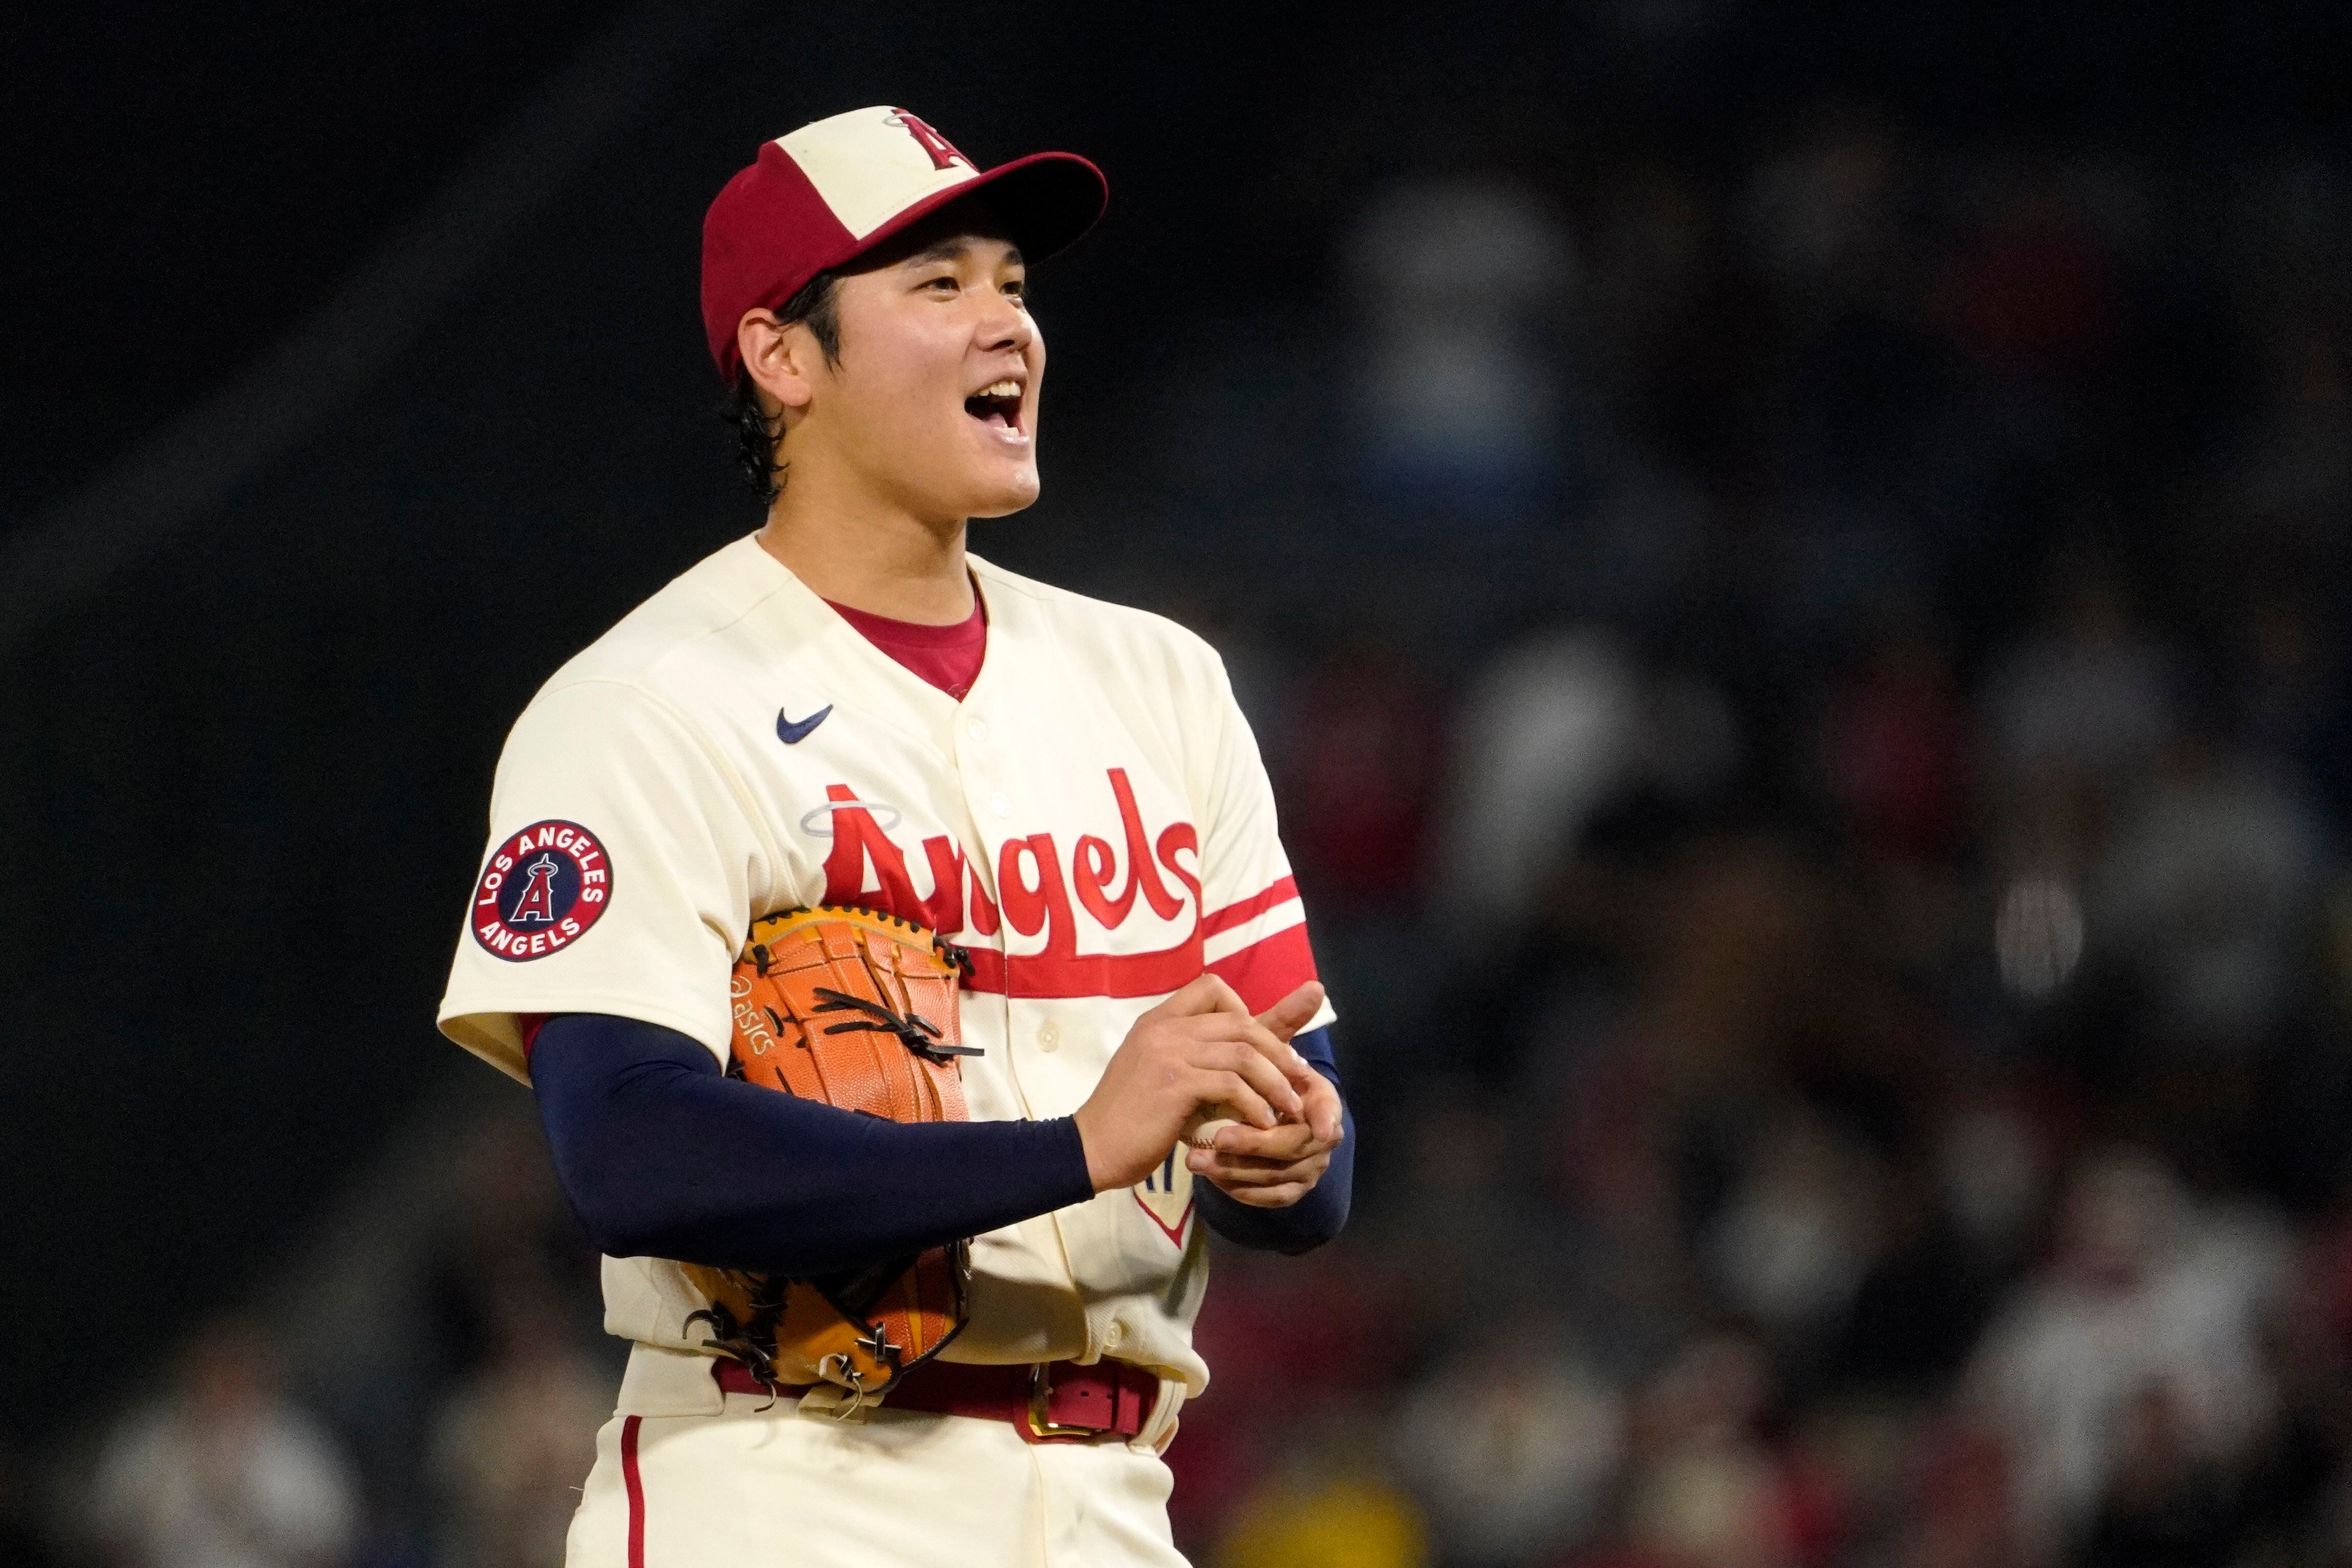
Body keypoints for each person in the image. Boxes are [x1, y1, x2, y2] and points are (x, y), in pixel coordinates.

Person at [435, 105, 1354, 1567]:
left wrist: (1296, 1146)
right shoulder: (643, 703)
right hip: (788, 1483)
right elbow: (629, 1152)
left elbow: (1306, 1145)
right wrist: (1069, 1147)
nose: (1006, 323)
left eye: (1013, 282)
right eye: (937, 285)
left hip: (1117, 1499)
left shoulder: (1159, 679)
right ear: (783, 357)